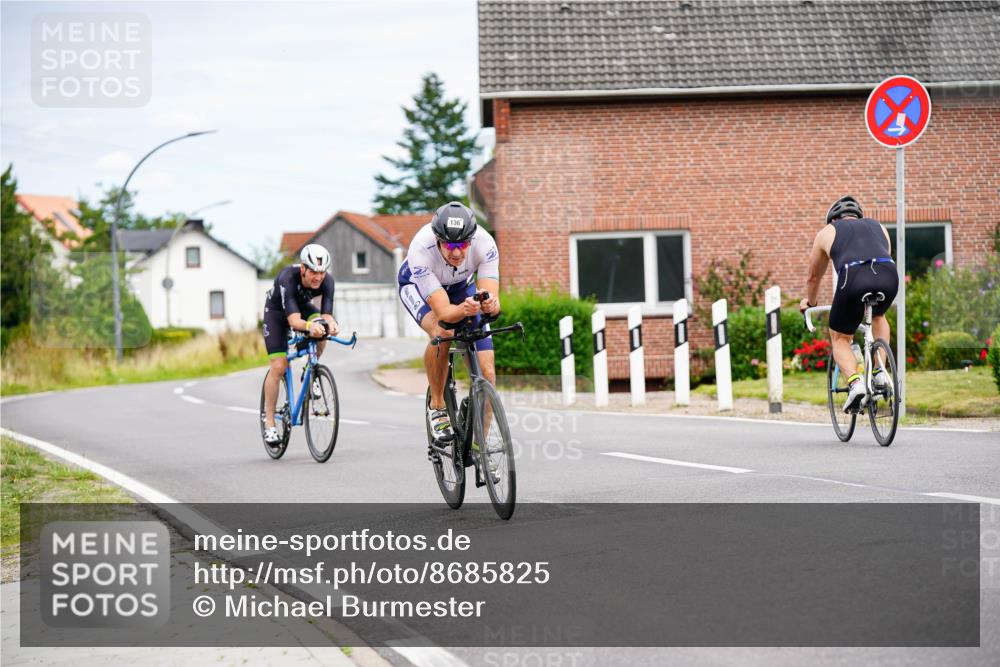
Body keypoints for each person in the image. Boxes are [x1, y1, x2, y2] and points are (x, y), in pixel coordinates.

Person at [397, 201, 501, 443]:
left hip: (461, 287)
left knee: (488, 373)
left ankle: (480, 446)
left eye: (463, 244)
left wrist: (490, 305)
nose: (457, 252)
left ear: (472, 240)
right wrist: (463, 310)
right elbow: (444, 313)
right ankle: (437, 405)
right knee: (442, 331)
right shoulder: (420, 249)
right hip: (418, 287)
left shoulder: (486, 244)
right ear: (437, 240)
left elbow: (491, 301)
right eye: (450, 245)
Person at [800, 196, 899, 412]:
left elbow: (813, 277)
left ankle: (855, 384)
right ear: (859, 216)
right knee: (878, 316)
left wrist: (811, 302)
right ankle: (880, 371)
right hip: (888, 274)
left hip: (853, 276)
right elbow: (884, 254)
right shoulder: (879, 227)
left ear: (832, 219)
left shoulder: (827, 232)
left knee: (840, 337)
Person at [261, 243, 340, 444]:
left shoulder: (327, 281)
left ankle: (311, 370)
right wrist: (308, 327)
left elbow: (327, 315)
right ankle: (269, 421)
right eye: (313, 271)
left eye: (322, 272)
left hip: (303, 308)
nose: (318, 277)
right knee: (279, 366)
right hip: (277, 314)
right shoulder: (288, 277)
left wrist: (331, 324)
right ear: (303, 268)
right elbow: (294, 321)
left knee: (322, 327)